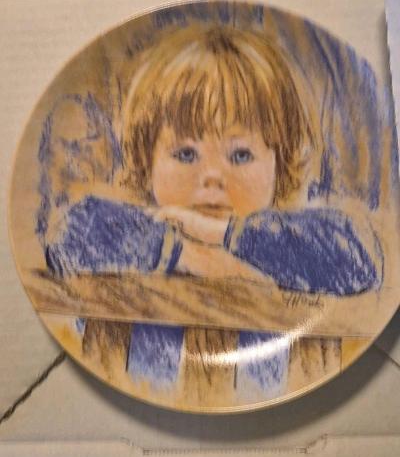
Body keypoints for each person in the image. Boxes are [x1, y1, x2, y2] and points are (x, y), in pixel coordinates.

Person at [43, 25, 383, 401]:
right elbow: (69, 235)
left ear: (280, 164)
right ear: (146, 162)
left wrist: (227, 236)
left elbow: (356, 260)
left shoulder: (287, 245)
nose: (212, 177)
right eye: (185, 154)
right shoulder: (130, 235)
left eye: (240, 155)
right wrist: (188, 255)